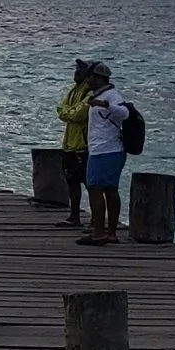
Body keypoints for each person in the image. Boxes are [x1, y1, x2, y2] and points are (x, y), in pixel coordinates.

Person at [81, 62, 133, 244]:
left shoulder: (112, 96)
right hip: (101, 149)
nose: (87, 80)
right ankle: (109, 232)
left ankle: (100, 232)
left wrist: (105, 104)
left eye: (90, 77)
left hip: (108, 149)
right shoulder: (98, 95)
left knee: (96, 188)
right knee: (109, 190)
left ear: (99, 78)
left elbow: (124, 113)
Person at [54, 59, 95, 229]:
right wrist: (68, 112)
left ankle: (96, 219)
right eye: (76, 70)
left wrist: (68, 113)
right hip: (70, 143)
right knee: (71, 180)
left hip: (85, 145)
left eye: (80, 71)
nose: (76, 73)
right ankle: (74, 216)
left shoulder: (91, 93)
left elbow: (78, 115)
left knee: (90, 183)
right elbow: (61, 109)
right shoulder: (73, 91)